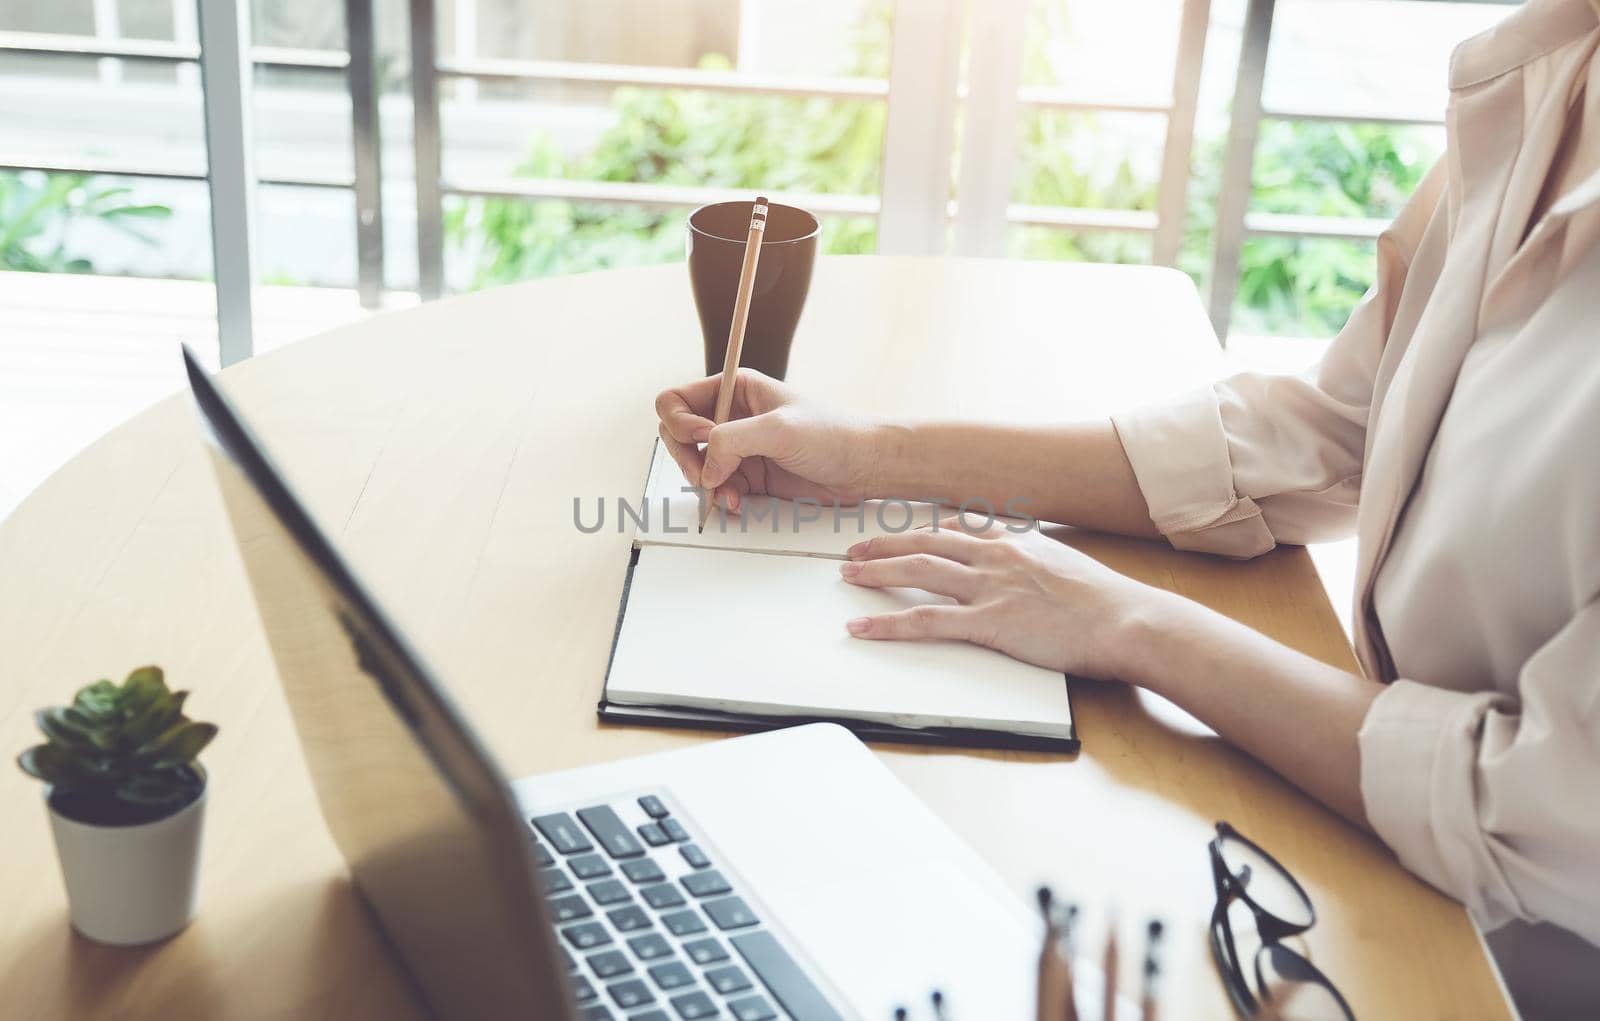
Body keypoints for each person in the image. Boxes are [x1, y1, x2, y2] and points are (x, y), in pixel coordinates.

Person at [655, 1, 1600, 1015]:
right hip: (1363, 844)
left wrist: (1127, 623)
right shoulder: (1556, 68)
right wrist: (875, 457)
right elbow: (1330, 432)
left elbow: (1540, 812)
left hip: (1504, 964)